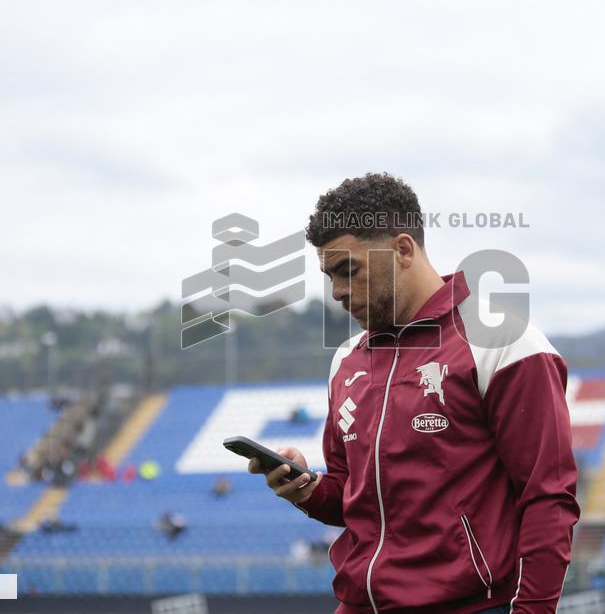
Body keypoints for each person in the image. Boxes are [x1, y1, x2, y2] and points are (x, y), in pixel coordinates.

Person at [247, 173, 580, 613]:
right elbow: (354, 499)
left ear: (403, 249)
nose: (338, 293)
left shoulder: (505, 343)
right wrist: (308, 491)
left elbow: (548, 498)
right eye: (329, 276)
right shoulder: (346, 360)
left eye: (349, 270)